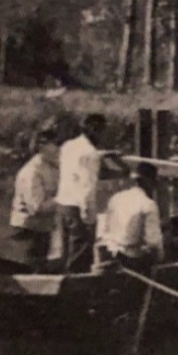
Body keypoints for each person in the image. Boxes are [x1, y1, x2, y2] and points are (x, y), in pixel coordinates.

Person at [53, 113, 124, 272]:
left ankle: (66, 281)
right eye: (102, 130)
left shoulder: (68, 146)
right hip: (78, 207)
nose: (104, 134)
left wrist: (103, 154)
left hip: (63, 204)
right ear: (93, 130)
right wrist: (88, 215)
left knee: (66, 250)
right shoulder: (90, 154)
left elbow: (76, 168)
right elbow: (87, 185)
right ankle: (77, 288)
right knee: (81, 251)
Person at [94, 162, 165, 272]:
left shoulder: (116, 198)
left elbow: (103, 229)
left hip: (108, 253)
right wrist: (161, 261)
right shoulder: (148, 204)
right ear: (151, 183)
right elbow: (154, 242)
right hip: (128, 260)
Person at [9, 129, 61, 269]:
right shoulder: (31, 172)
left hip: (43, 230)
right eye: (56, 144)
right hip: (27, 232)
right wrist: (64, 197)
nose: (60, 148)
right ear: (41, 146)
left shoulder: (52, 167)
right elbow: (37, 208)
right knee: (30, 273)